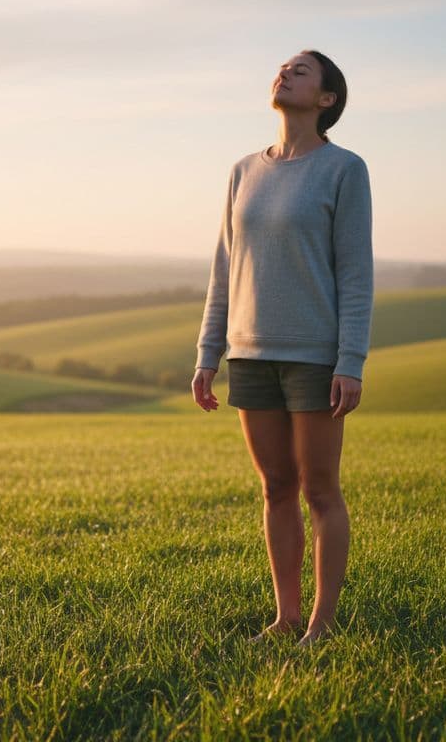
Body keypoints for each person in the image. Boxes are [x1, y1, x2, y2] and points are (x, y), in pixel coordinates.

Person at [192, 49, 373, 648]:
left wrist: (351, 361)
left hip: (314, 355)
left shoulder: (345, 169)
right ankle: (286, 617)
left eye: (302, 70)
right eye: (283, 67)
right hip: (249, 353)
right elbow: (225, 267)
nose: (285, 72)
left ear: (327, 100)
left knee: (320, 488)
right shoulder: (243, 170)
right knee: (275, 488)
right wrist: (207, 355)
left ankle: (322, 623)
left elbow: (355, 273)